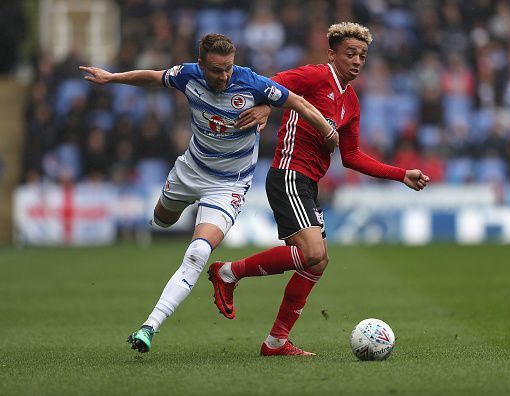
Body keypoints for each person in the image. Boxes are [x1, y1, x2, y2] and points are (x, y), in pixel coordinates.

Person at [79, 33, 339, 354]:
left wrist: (327, 130)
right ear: (202, 64)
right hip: (190, 170)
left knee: (198, 252)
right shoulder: (187, 75)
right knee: (162, 219)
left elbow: (297, 101)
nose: (225, 76)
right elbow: (153, 77)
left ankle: (149, 327)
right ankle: (169, 211)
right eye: (217, 70)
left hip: (227, 185)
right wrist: (112, 78)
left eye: (229, 68)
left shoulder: (253, 84)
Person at [207, 22, 430, 356]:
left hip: (308, 183)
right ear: (332, 54)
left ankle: (276, 342)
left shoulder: (350, 101)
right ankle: (227, 272)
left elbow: (352, 156)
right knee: (312, 254)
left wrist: (401, 175)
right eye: (350, 53)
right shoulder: (315, 76)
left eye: (362, 55)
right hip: (288, 174)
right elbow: (274, 85)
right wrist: (268, 105)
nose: (357, 61)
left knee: (316, 263)